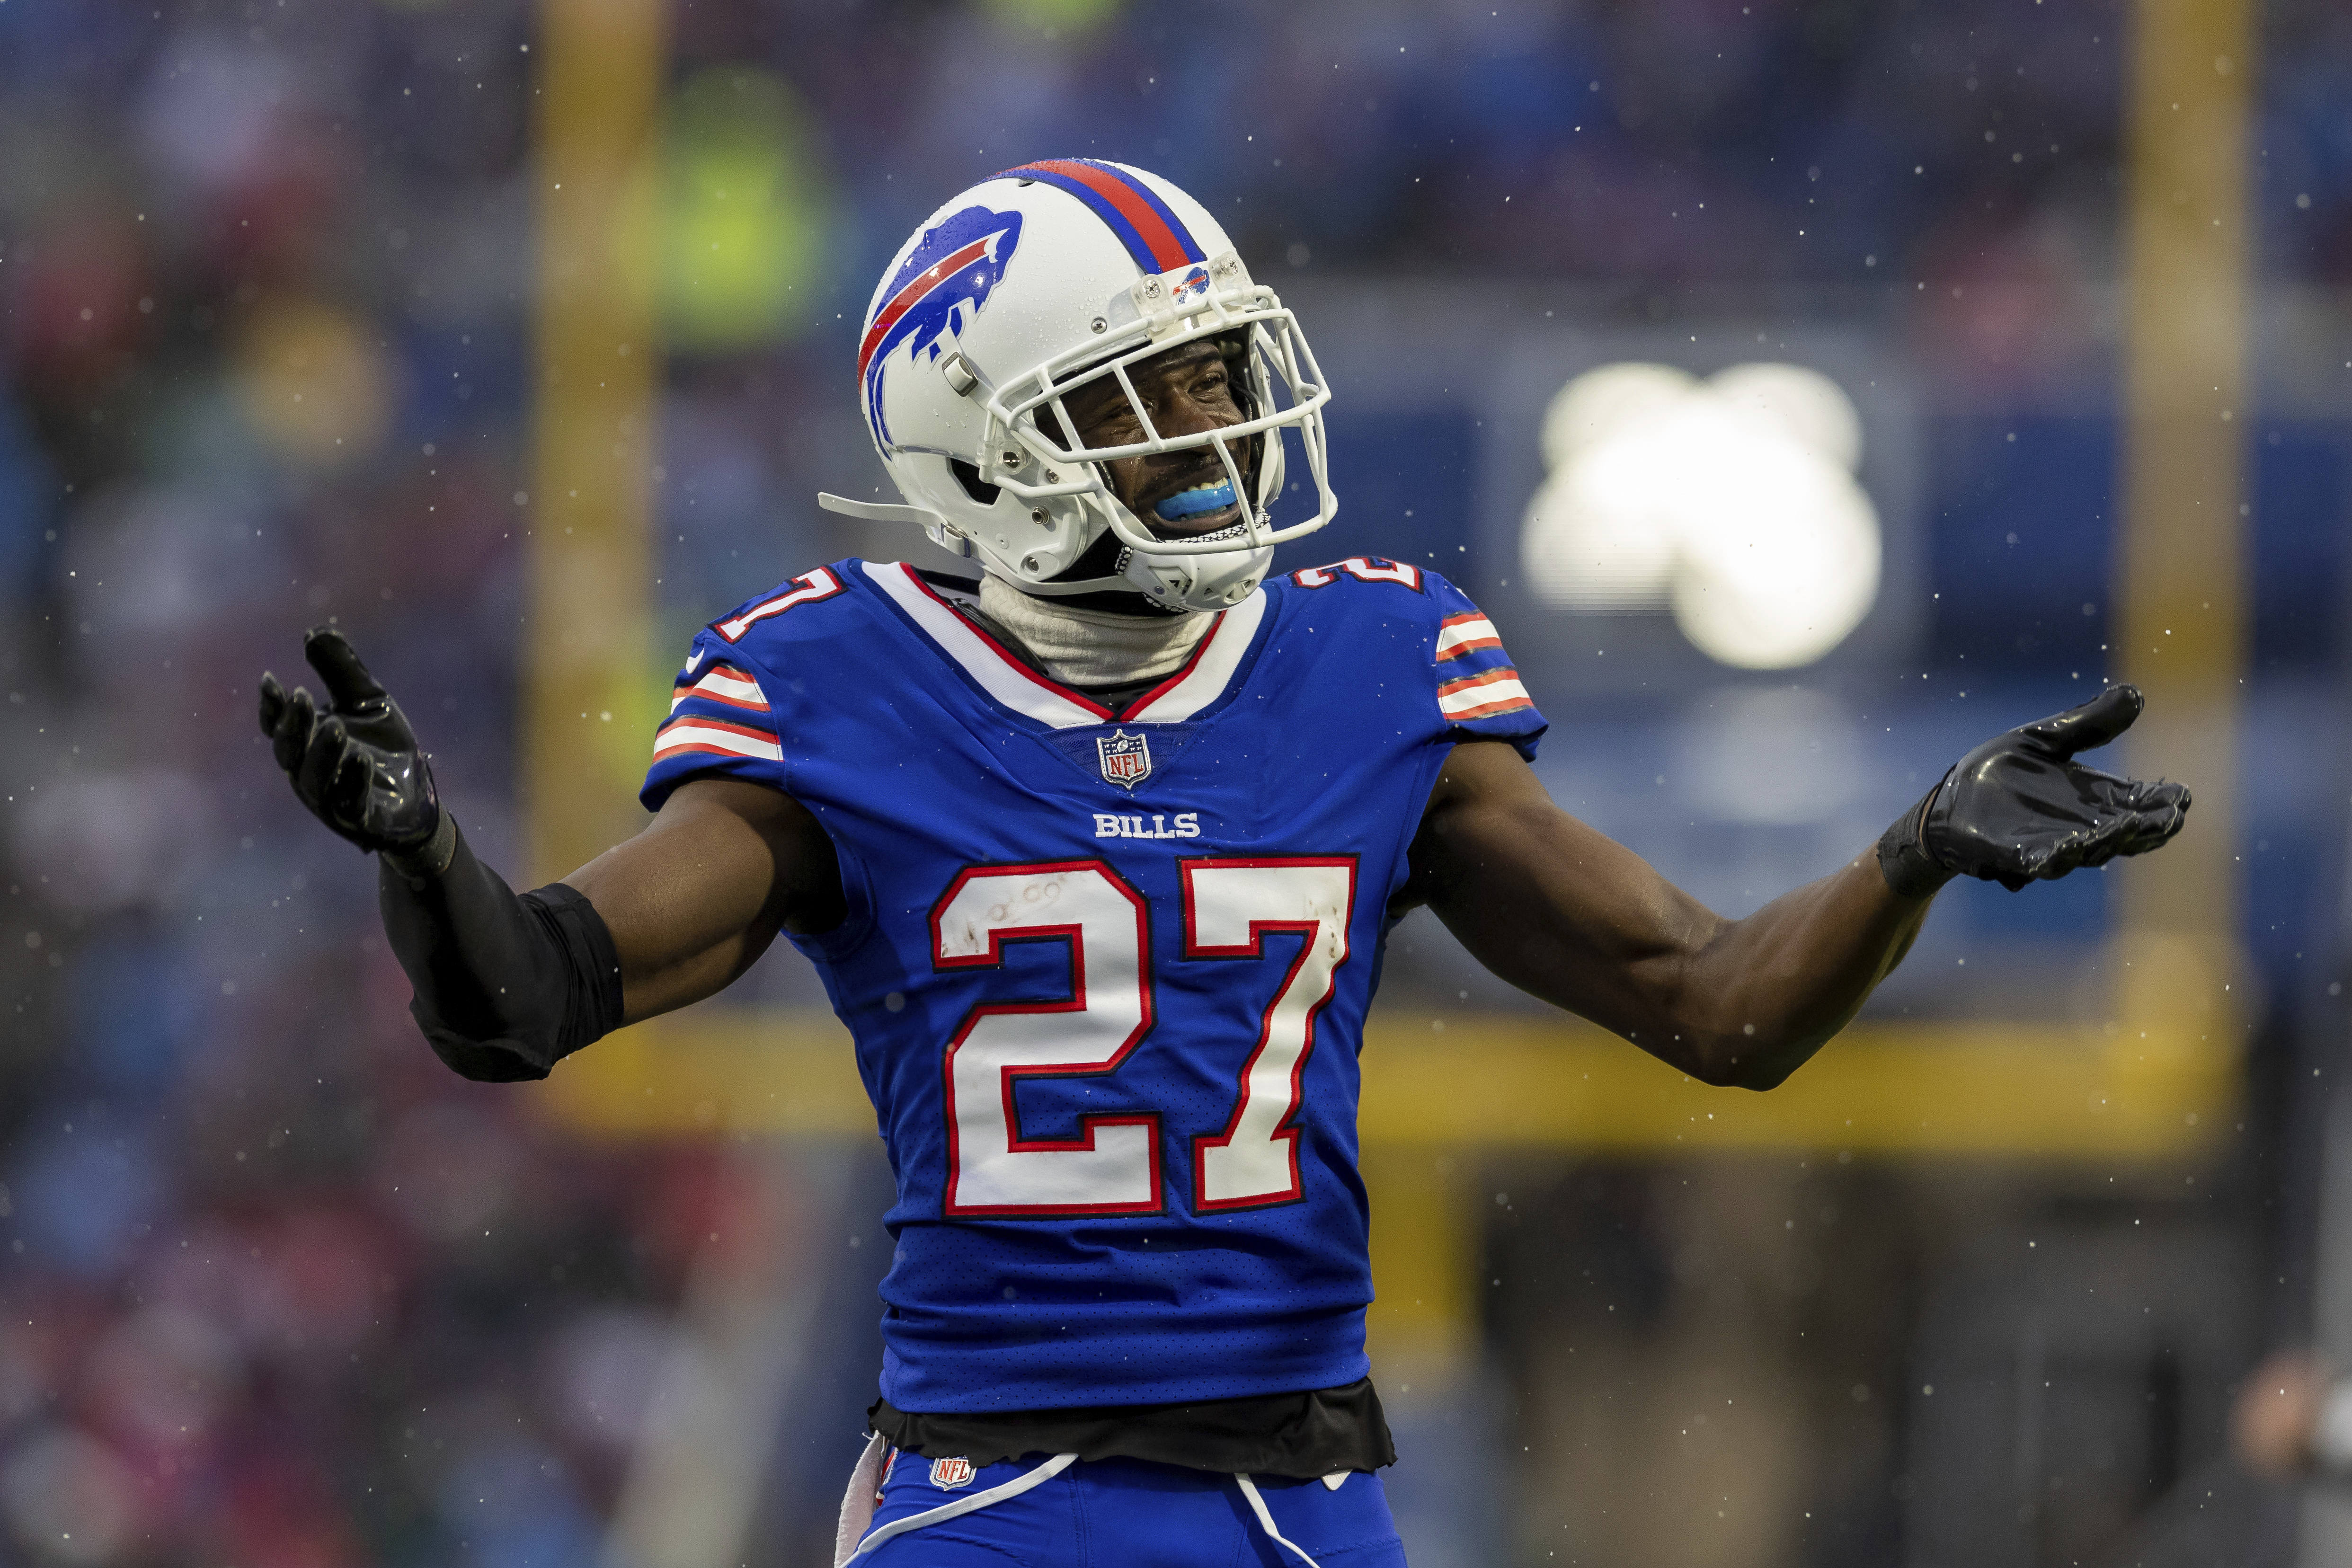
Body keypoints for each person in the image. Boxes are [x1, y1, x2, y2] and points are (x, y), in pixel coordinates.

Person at [258, 160, 2191, 1567]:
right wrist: (426, 854)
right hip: (991, 1501)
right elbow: (526, 1001)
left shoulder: (1359, 664)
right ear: (986, 454)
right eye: (1146, 394)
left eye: (1217, 368)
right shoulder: (842, 686)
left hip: (1311, 1497)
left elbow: (1720, 1011)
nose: (1220, 424)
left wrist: (1908, 855)